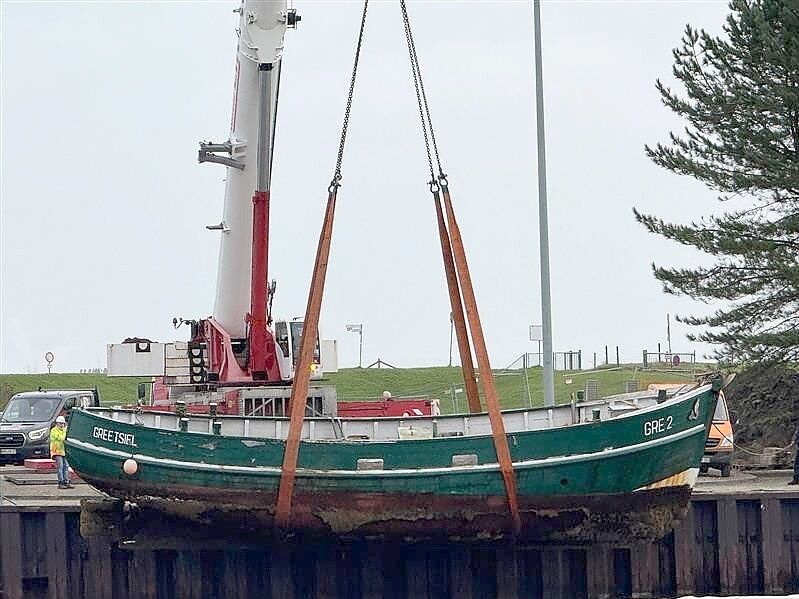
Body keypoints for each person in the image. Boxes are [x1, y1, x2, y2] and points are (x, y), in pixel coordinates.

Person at [50, 416, 73, 489]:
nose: (61, 425)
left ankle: (66, 481)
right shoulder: (54, 430)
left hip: (64, 451)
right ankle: (61, 482)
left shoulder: (65, 430)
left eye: (63, 423)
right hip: (57, 451)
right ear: (57, 424)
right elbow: (61, 438)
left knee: (66, 467)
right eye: (60, 423)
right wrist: (65, 433)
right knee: (60, 467)